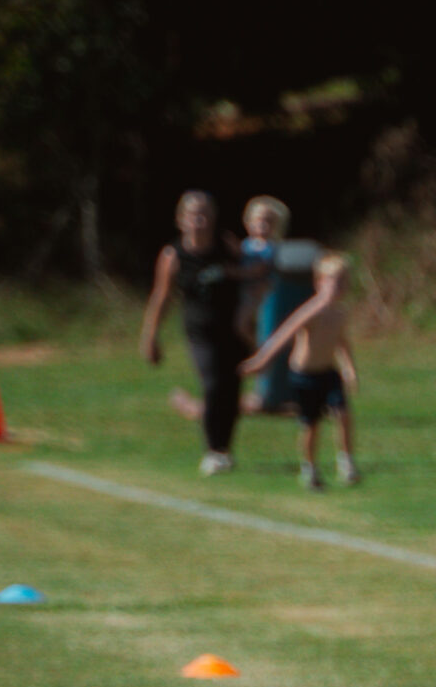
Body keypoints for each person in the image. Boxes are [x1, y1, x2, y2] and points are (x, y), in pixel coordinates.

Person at [139, 190, 259, 475]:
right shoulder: (173, 255)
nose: (200, 220)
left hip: (233, 328)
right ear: (181, 220)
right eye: (194, 215)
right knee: (213, 383)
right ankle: (213, 450)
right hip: (200, 331)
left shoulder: (226, 244)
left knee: (231, 389)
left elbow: (251, 275)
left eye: (205, 214)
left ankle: (224, 450)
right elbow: (161, 297)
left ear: (213, 218)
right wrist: (150, 336)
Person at [241, 252, 361, 491]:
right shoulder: (311, 311)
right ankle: (310, 468)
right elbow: (284, 333)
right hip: (305, 375)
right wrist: (262, 360)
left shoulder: (340, 312)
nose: (338, 286)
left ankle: (346, 463)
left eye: (343, 281)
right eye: (333, 281)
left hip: (328, 371)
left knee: (343, 413)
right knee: (311, 425)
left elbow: (341, 341)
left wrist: (348, 368)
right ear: (319, 283)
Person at [243, 196, 320, 415]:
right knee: (257, 337)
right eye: (259, 220)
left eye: (269, 222)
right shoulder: (246, 248)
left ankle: (272, 392)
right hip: (253, 300)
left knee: (270, 341)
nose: (263, 226)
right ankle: (265, 386)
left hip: (265, 301)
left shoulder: (276, 251)